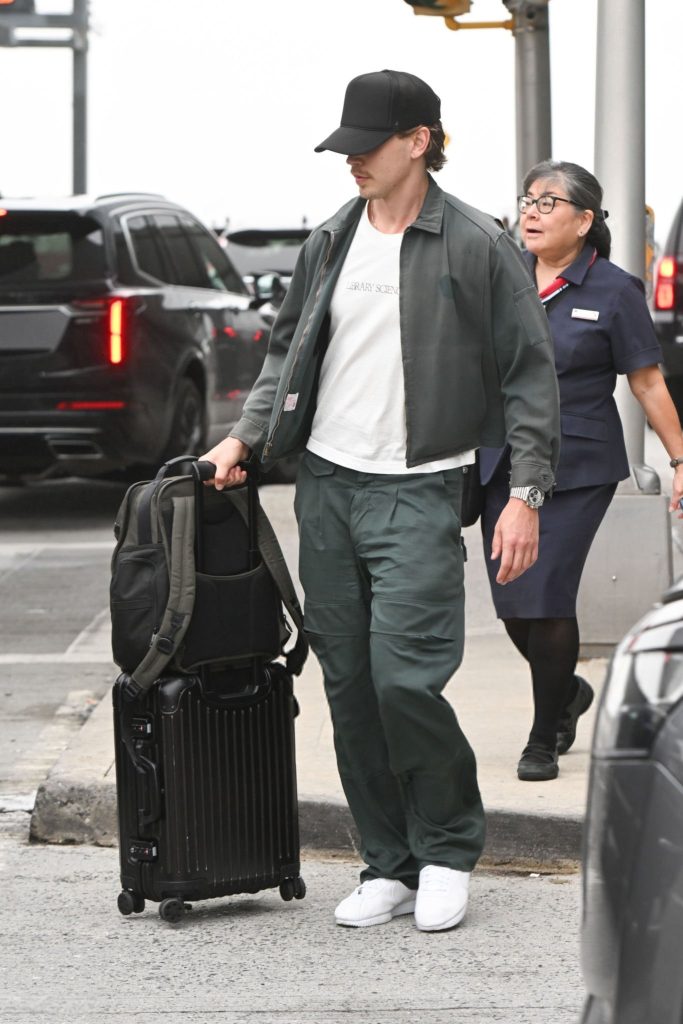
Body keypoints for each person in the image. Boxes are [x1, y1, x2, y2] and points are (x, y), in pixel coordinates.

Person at [201, 70, 561, 931]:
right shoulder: (331, 238)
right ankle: (386, 862)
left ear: (419, 140)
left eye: (368, 146)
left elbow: (528, 376)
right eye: (346, 147)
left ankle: (444, 849)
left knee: (406, 679)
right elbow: (285, 356)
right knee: (351, 686)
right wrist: (242, 436)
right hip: (325, 485)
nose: (352, 160)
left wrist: (527, 495)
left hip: (420, 489)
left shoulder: (477, 242)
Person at [479, 160, 683, 783]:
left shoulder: (614, 289)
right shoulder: (503, 277)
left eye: (550, 202)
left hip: (578, 463)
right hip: (501, 458)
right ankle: (565, 692)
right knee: (513, 601)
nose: (533, 211)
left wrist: (680, 459)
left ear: (585, 219)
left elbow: (646, 380)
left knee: (546, 590)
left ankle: (544, 735)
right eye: (529, 199)